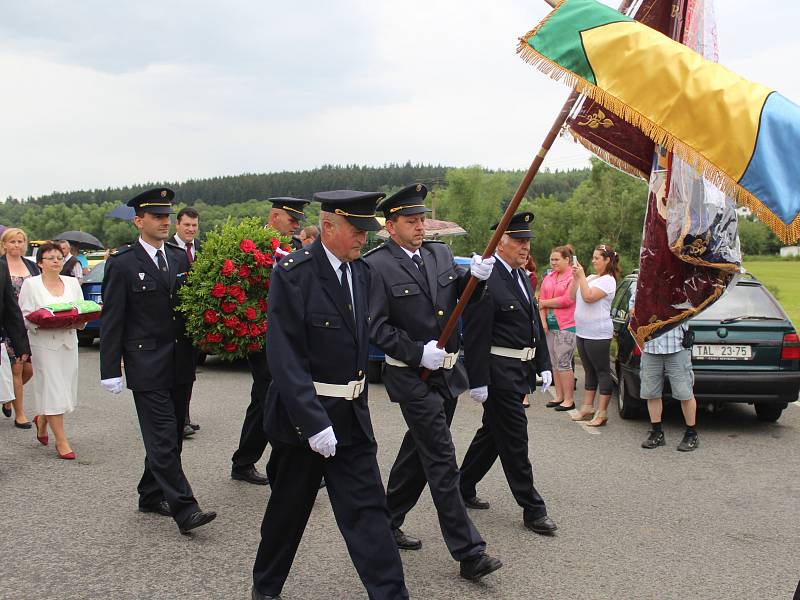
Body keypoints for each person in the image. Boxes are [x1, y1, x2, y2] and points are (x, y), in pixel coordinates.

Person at [252, 190, 409, 600]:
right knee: (287, 514)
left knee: (370, 514)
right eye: (356, 230)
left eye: (365, 231)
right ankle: (265, 590)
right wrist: (313, 422)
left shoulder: (362, 273)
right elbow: (284, 357)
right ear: (327, 227)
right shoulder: (294, 273)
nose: (362, 238)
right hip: (303, 422)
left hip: (352, 419)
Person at [366, 183, 502, 583]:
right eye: (411, 221)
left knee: (419, 452)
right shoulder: (377, 266)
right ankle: (469, 552)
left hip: (445, 373)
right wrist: (415, 352)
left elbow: (459, 297)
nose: (420, 227)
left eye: (422, 219)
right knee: (442, 457)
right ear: (391, 227)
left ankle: (386, 521)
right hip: (410, 375)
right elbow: (376, 327)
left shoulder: (439, 253)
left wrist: (476, 280)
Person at [100, 187, 216, 534]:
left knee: (173, 436)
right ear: (139, 221)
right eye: (158, 217)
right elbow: (113, 320)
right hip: (145, 363)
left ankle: (150, 493)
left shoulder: (179, 259)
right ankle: (186, 508)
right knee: (164, 436)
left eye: (168, 216)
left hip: (180, 361)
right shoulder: (122, 263)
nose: (165, 222)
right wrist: (110, 369)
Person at [459, 212, 558, 536]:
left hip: (519, 371)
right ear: (500, 243)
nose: (525, 247)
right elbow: (476, 333)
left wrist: (543, 364)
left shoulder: (519, 275)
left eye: (527, 241)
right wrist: (477, 380)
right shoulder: (489, 279)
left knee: (492, 435)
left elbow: (533, 326)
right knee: (515, 439)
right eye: (518, 240)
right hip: (498, 374)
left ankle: (463, 484)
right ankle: (533, 508)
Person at [231, 197, 310, 485]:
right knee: (275, 395)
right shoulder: (250, 247)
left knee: (262, 399)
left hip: (283, 333)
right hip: (259, 333)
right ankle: (291, 466)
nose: (296, 226)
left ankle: (243, 461)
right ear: (275, 216)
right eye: (292, 220)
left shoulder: (292, 249)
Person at [18, 242, 84, 459]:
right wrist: (46, 323)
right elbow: (25, 316)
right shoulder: (31, 285)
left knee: (65, 389)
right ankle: (62, 441)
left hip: (68, 342)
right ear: (40, 263)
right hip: (44, 344)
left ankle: (43, 418)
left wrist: (75, 322)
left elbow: (82, 309)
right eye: (51, 258)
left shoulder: (72, 282)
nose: (56, 261)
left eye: (59, 257)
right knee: (53, 389)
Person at [629, 289, 699, 451]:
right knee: (651, 393)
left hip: (676, 345)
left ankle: (691, 433)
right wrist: (635, 311)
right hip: (651, 345)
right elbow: (632, 306)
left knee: (684, 392)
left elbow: (692, 307)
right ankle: (656, 432)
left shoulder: (680, 281)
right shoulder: (644, 281)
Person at [568, 244, 620, 427]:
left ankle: (602, 412)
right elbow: (572, 296)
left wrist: (581, 277)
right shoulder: (590, 277)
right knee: (589, 370)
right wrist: (576, 278)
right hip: (582, 330)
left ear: (607, 260)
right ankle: (587, 407)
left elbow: (589, 297)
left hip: (598, 333)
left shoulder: (608, 280)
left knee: (602, 371)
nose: (593, 260)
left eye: (598, 258)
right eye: (593, 257)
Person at [0, 227, 38, 428]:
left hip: (29, 322)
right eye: (13, 241)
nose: (17, 245)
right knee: (17, 367)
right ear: (4, 244)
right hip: (8, 324)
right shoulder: (1, 265)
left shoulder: (31, 266)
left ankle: (7, 397)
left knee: (29, 370)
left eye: (20, 241)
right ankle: (20, 414)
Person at [171, 206, 202, 438]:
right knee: (175, 372)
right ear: (177, 225)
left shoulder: (200, 249)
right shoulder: (168, 249)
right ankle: (177, 420)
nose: (191, 229)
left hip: (193, 321)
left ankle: (185, 415)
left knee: (189, 371)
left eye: (194, 225)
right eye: (187, 225)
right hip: (172, 320)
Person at [537, 245, 578, 411]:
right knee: (554, 362)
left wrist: (545, 303)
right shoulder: (549, 277)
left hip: (567, 325)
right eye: (551, 259)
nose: (553, 262)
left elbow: (567, 300)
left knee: (563, 361)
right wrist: (544, 321)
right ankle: (559, 396)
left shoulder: (572, 277)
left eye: (557, 259)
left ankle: (569, 399)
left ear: (567, 260)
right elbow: (541, 300)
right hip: (550, 325)